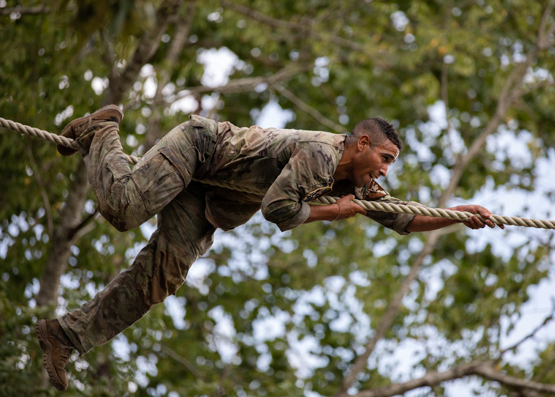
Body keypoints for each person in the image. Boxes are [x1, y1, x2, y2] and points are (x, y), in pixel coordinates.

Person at [36, 105, 503, 391]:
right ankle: (103, 132)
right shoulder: (322, 154)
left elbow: (403, 220)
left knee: (159, 280)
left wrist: (458, 214)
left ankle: (66, 337)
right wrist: (337, 212)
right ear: (361, 144)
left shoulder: (356, 185)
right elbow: (278, 208)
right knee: (122, 209)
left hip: (212, 197)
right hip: (201, 151)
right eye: (384, 159)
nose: (384, 171)